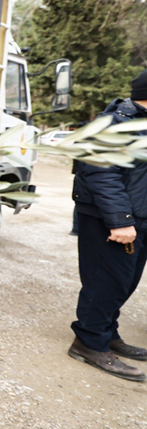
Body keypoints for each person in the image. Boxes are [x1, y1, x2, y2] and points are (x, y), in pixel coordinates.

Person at [69, 69, 147, 382]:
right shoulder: (113, 125)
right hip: (113, 223)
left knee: (124, 283)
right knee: (106, 282)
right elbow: (101, 173)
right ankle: (88, 343)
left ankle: (107, 333)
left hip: (138, 219)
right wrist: (120, 221)